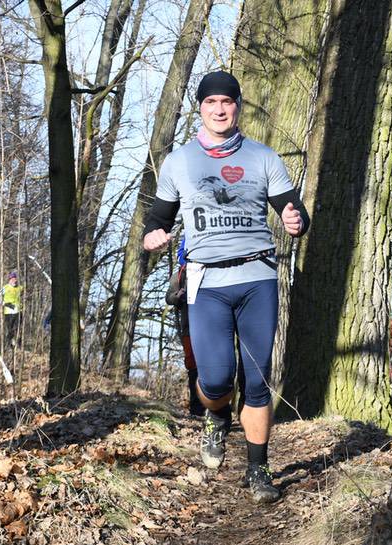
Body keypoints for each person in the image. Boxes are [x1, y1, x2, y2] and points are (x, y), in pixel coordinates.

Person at [143, 71, 310, 503]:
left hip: (257, 278)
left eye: (227, 101)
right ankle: (216, 416)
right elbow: (157, 220)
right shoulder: (180, 162)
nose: (219, 109)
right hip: (206, 282)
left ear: (238, 106)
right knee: (216, 380)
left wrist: (295, 220)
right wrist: (153, 236)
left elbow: (295, 211)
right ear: (200, 108)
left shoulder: (263, 157)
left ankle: (258, 470)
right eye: (211, 102)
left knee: (257, 380)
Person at [166, 236, 205, 417]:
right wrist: (178, 295)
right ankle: (196, 410)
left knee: (212, 366)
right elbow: (169, 297)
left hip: (211, 327)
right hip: (188, 327)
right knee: (193, 366)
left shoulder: (210, 271)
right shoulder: (179, 275)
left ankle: (216, 409)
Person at [0, 271, 23, 348]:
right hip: (8, 312)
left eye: (15, 278)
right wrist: (5, 304)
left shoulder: (20, 288)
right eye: (12, 279)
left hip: (18, 311)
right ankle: (9, 342)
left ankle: (18, 344)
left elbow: (27, 295)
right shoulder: (5, 288)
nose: (14, 280)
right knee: (10, 329)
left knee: (18, 328)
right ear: (9, 280)